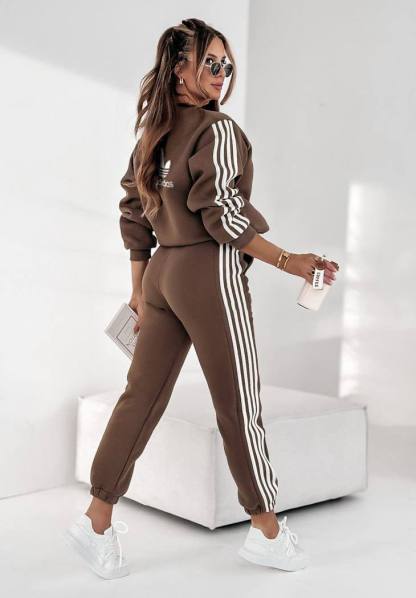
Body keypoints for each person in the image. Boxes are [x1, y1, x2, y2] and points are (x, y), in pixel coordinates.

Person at [63, 18, 338, 579]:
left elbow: (134, 212)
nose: (221, 74)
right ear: (179, 70)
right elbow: (224, 217)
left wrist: (140, 290)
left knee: (139, 399)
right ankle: (267, 531)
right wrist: (291, 261)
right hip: (209, 273)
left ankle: (96, 521)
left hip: (162, 274)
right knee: (238, 403)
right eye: (210, 63)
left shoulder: (154, 133)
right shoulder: (218, 131)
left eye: (227, 65)